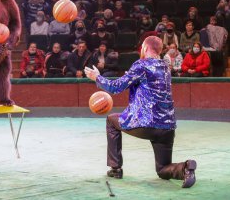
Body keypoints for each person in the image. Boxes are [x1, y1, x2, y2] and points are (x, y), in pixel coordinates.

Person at [84, 36, 197, 188]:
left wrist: (97, 77)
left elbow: (116, 87)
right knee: (162, 169)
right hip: (168, 126)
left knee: (111, 120)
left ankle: (115, 168)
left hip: (146, 123)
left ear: (145, 48)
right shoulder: (165, 67)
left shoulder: (140, 65)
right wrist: (131, 76)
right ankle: (186, 168)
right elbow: (148, 85)